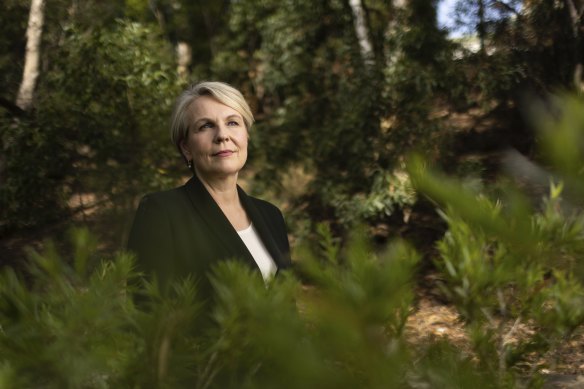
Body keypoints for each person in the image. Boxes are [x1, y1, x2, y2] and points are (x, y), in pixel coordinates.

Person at [127, 81, 291, 299]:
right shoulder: (162, 213)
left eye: (233, 123)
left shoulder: (271, 216)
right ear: (186, 148)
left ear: (246, 136)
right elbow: (148, 313)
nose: (222, 135)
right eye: (206, 126)